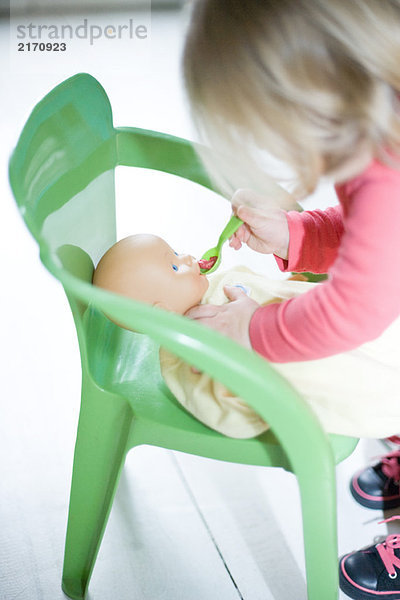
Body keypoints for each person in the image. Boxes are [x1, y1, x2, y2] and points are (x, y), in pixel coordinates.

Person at [181, 1, 400, 597]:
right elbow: (373, 242)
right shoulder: (377, 126)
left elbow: (357, 306)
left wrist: (253, 329)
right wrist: (298, 234)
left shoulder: (386, 168)